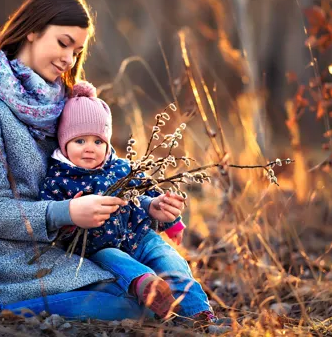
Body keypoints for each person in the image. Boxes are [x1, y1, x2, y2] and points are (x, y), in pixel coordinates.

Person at [0, 0, 231, 330]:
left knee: (156, 282)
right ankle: (5, 311)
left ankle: (199, 316)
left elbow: (106, 177)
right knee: (134, 304)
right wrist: (65, 212)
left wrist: (148, 206)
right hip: (11, 262)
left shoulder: (70, 103)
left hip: (78, 251)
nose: (69, 59)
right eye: (63, 43)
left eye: (77, 50)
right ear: (32, 30)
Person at [40, 81, 217, 323]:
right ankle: (148, 286)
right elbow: (49, 220)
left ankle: (199, 313)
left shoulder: (121, 168)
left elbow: (148, 194)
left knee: (171, 261)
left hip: (141, 236)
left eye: (98, 141)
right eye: (80, 141)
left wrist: (170, 219)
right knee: (118, 262)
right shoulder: (58, 179)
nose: (90, 148)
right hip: (97, 247)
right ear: (64, 142)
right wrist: (69, 216)